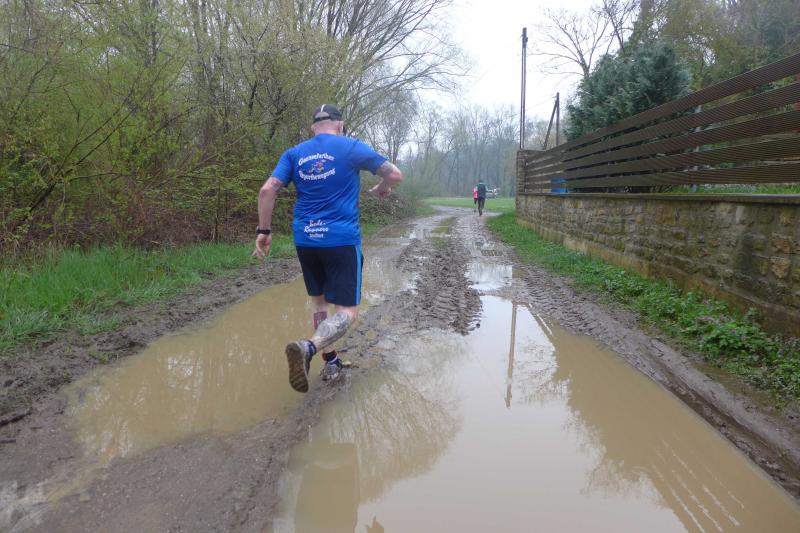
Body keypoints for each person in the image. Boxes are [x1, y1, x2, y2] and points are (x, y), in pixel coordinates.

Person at [252, 104, 402, 393]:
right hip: (341, 239)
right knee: (348, 311)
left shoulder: (294, 153)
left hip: (306, 239)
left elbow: (267, 190)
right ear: (340, 125)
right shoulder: (351, 147)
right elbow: (394, 174)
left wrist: (264, 231)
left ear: (313, 128)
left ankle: (330, 361)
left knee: (319, 303)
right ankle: (309, 347)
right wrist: (383, 186)